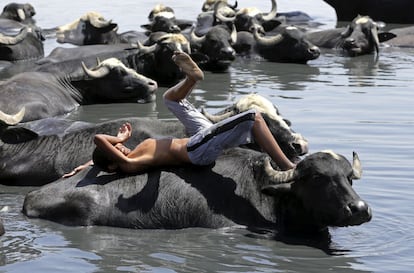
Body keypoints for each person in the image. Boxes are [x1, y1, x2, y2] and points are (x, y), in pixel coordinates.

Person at [63, 51, 295, 178]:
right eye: (116, 150)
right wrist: (119, 139)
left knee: (169, 99)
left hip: (199, 137)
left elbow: (100, 158)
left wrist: (82, 167)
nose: (120, 147)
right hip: (196, 151)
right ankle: (287, 166)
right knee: (253, 115)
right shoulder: (130, 163)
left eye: (117, 147)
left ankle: (192, 78)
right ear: (115, 164)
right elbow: (99, 140)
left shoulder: (124, 158)